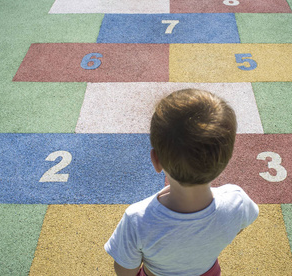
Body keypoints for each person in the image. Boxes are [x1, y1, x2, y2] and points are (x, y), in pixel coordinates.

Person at [105, 89, 259, 276]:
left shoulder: (137, 219)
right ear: (225, 159)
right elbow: (241, 223)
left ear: (156, 161)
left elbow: (125, 271)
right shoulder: (237, 201)